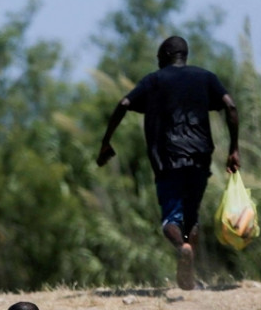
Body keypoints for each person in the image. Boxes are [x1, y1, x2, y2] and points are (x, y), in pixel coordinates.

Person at [96, 35, 240, 291]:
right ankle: (190, 276)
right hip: (199, 155)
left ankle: (182, 247)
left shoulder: (154, 80)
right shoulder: (205, 77)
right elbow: (230, 105)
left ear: (164, 57)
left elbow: (124, 103)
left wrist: (106, 141)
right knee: (191, 216)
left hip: (167, 157)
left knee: (171, 217)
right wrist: (234, 148)